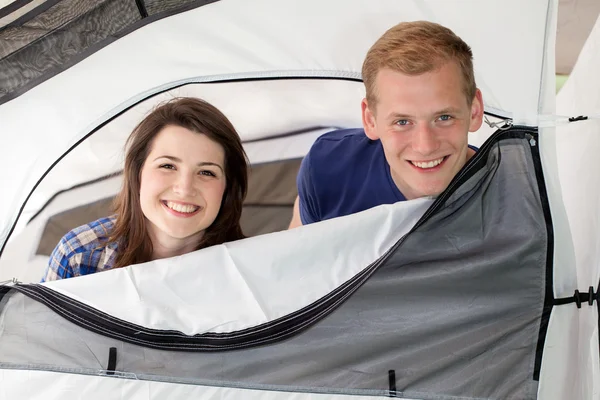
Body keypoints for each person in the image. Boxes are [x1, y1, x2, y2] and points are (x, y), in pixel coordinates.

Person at [288, 21, 484, 228]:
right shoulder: (328, 167)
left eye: (444, 118)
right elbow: (294, 255)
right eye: (402, 122)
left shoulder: (512, 197)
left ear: (474, 111)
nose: (425, 146)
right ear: (370, 120)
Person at [41, 97, 248, 281]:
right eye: (168, 166)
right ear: (137, 173)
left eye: (206, 172)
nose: (185, 188)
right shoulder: (77, 257)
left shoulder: (252, 268)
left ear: (228, 187)